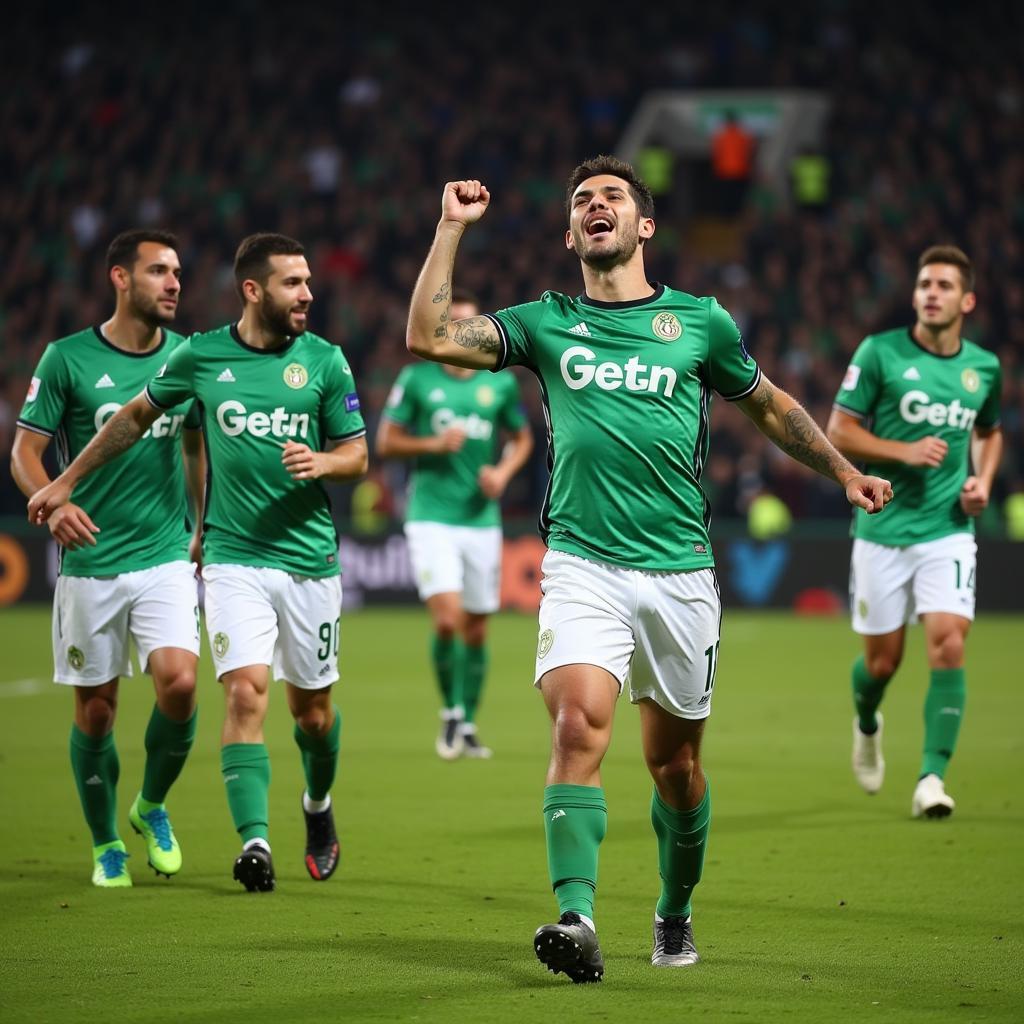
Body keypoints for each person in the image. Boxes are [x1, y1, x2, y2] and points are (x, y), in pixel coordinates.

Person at [404, 156, 893, 982]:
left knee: (677, 769)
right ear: (570, 233)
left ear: (644, 226)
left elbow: (770, 404)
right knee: (576, 727)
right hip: (582, 566)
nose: (597, 207)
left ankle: (673, 911)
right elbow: (429, 335)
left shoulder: (699, 322)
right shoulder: (544, 319)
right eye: (582, 201)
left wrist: (844, 472)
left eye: (612, 198)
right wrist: (451, 226)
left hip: (679, 574)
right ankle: (578, 916)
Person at [28, 233, 369, 893]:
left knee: (313, 715)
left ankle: (317, 807)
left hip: (309, 560)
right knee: (242, 692)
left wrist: (323, 462)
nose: (308, 294)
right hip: (232, 555)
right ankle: (256, 844)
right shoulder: (201, 355)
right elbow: (133, 418)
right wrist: (65, 481)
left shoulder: (326, 361)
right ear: (254, 290)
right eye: (293, 284)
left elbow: (356, 455)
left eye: (307, 283)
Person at [11, 229, 204, 888]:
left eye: (177, 271)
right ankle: (103, 844)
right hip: (91, 561)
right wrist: (51, 503)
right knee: (96, 712)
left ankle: (150, 804)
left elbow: (198, 449)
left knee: (179, 683)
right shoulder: (66, 358)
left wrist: (202, 526)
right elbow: (24, 453)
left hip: (164, 554)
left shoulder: (188, 357)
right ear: (120, 278)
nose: (174, 282)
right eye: (158, 271)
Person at [826, 245, 1003, 819]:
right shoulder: (880, 353)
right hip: (882, 528)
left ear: (966, 300)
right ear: (915, 295)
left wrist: (982, 479)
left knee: (949, 645)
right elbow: (839, 430)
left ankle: (932, 777)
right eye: (925, 283)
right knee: (881, 664)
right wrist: (902, 449)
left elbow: (990, 431)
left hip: (948, 529)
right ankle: (868, 719)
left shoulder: (985, 369)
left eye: (945, 285)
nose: (932, 292)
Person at [376, 289, 533, 759]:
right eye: (453, 322)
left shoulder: (498, 383)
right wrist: (433, 444)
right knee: (447, 621)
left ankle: (465, 722)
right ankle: (449, 712)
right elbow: (386, 442)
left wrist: (502, 472)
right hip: (431, 517)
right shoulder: (418, 379)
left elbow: (523, 438)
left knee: (478, 629)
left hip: (480, 519)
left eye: (469, 323)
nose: (462, 331)